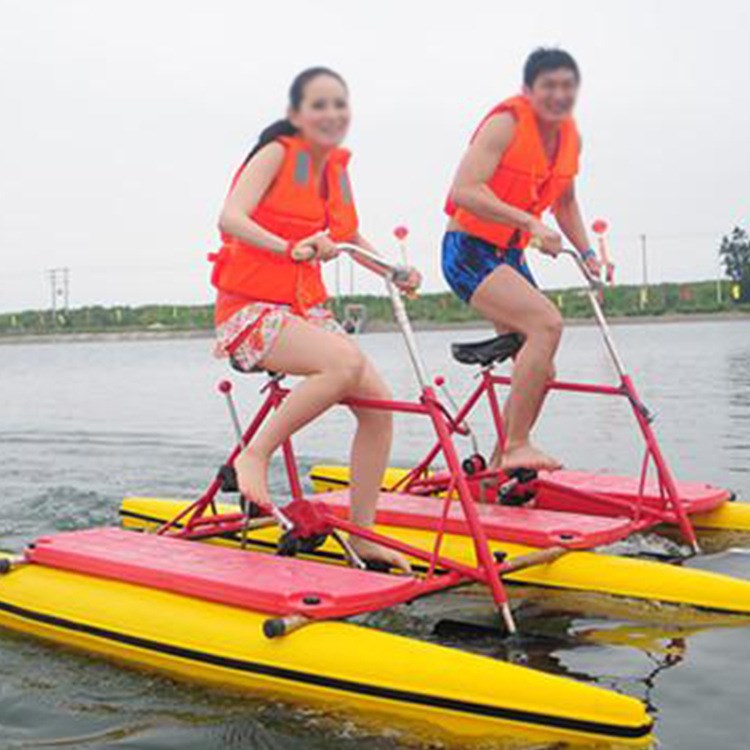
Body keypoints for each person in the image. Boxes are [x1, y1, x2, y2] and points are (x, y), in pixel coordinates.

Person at [210, 67, 419, 570]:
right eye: (318, 105)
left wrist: (393, 270)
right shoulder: (278, 152)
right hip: (250, 309)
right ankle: (253, 455)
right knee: (343, 362)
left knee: (379, 406)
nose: (330, 115)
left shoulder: (335, 170)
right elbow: (230, 216)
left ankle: (365, 534)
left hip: (306, 309)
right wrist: (289, 247)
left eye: (338, 105)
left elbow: (350, 238)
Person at [443, 48, 601, 472]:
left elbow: (565, 202)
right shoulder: (505, 123)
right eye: (548, 86)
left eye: (567, 86)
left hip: (508, 255)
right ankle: (517, 445)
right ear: (528, 90)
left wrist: (587, 253)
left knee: (542, 371)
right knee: (546, 323)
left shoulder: (570, 138)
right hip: (469, 250)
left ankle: (498, 466)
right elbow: (464, 190)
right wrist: (531, 223)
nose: (558, 94)